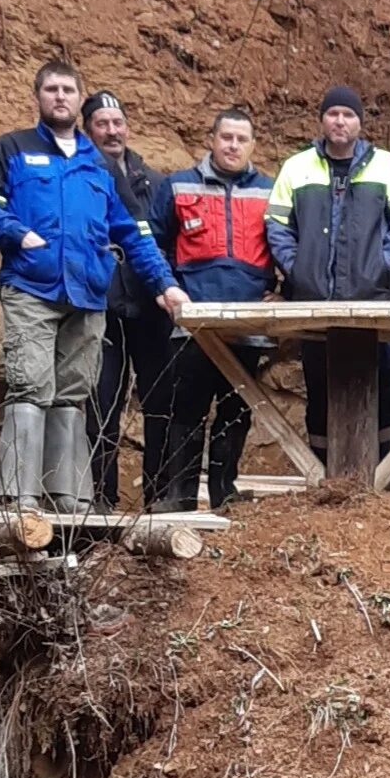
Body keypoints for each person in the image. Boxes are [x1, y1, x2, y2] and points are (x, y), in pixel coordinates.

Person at [0, 60, 183, 512]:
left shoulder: (99, 165)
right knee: (30, 385)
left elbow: (133, 232)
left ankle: (69, 496)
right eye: (51, 89)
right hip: (32, 287)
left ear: (77, 97)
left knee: (72, 393)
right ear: (38, 97)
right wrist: (17, 234)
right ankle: (16, 496)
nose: (59, 96)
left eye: (67, 89)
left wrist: (164, 284)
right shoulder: (13, 149)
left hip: (87, 295)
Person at [265, 85, 390, 469]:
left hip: (370, 299)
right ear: (322, 119)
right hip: (314, 301)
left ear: (360, 123)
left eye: (348, 115)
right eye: (333, 113)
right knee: (319, 384)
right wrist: (299, 269)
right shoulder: (296, 166)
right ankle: (323, 472)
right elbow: (277, 224)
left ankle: (387, 471)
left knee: (383, 382)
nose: (340, 121)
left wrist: (381, 268)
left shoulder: (384, 164)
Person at [147, 109, 276, 511]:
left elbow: (288, 244)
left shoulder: (272, 191)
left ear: (253, 145)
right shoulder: (177, 186)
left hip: (250, 320)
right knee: (187, 408)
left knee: (236, 409)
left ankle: (225, 493)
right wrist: (163, 287)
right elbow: (151, 243)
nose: (233, 145)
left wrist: (283, 290)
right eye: (226, 137)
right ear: (212, 139)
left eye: (241, 139)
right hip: (193, 322)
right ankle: (180, 495)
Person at [79, 91, 173, 512]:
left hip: (151, 308)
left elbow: (166, 241)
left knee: (160, 402)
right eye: (102, 123)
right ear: (89, 129)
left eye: (118, 122)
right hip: (102, 306)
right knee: (102, 404)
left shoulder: (152, 180)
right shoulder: (79, 175)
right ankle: (101, 500)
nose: (112, 131)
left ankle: (159, 496)